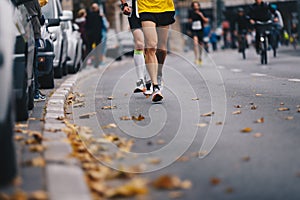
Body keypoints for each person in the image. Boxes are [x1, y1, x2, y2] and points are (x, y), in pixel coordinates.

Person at [137, 0, 176, 102]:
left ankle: (158, 73)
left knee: (161, 49)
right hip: (145, 8)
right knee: (151, 47)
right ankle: (155, 87)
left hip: (165, 8)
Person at [120, 0, 151, 95]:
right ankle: (140, 80)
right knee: (139, 45)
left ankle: (150, 79)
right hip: (133, 11)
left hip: (149, 9)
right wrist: (124, 5)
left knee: (150, 47)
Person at [24, 0, 46, 101]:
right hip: (34, 32)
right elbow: (41, 17)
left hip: (23, 32)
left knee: (29, 64)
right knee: (34, 65)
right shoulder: (34, 1)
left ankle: (35, 91)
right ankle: (36, 92)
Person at [85, 3, 103, 68]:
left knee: (89, 49)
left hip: (90, 35)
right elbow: (101, 26)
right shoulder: (99, 16)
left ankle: (86, 63)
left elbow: (86, 25)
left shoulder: (88, 16)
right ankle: (96, 63)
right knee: (97, 50)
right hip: (97, 35)